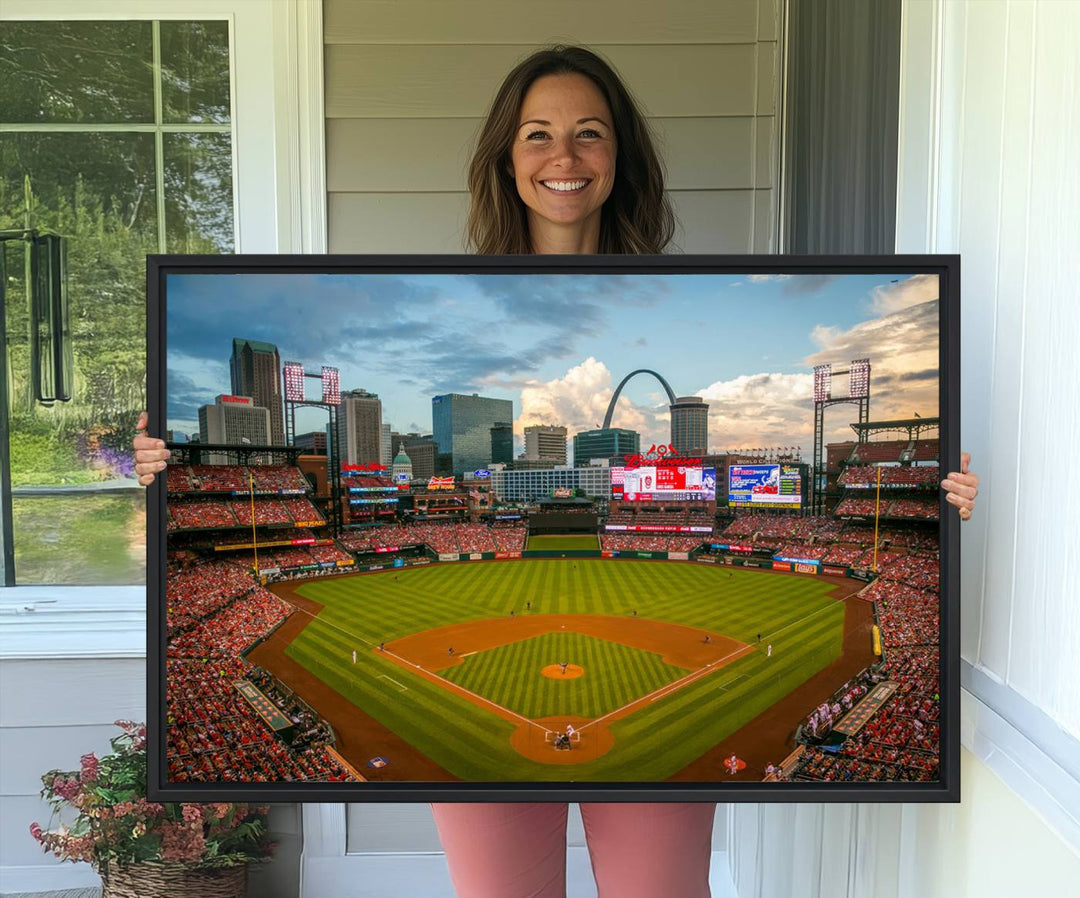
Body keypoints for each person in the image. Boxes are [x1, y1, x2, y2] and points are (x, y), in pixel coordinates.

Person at [133, 43, 980, 898]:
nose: (563, 157)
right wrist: (161, 472)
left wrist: (937, 500)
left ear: (620, 158)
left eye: (589, 134)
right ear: (506, 157)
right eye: (537, 134)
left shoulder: (685, 286)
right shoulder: (445, 282)